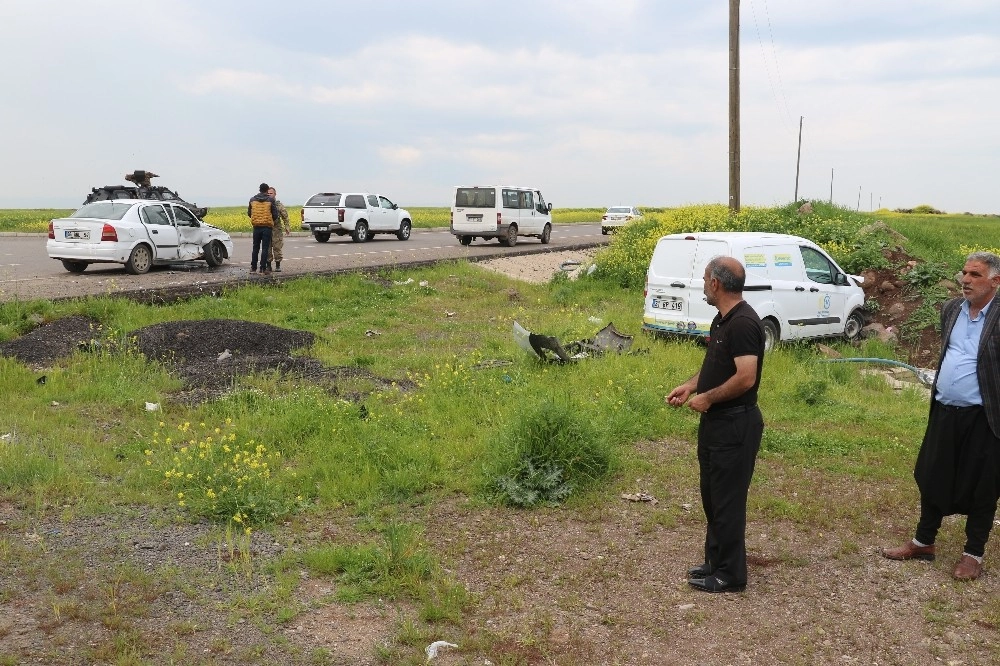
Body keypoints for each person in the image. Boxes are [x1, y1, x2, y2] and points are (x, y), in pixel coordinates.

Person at [881, 251, 1000, 581]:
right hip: (945, 411)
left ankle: (973, 554)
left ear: (995, 281)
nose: (965, 280)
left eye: (975, 275)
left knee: (983, 485)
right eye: (964, 273)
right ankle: (923, 542)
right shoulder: (951, 310)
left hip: (985, 418)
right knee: (933, 474)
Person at [666, 256, 765, 593]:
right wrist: (692, 386)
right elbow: (716, 366)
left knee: (728, 501)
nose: (703, 282)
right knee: (712, 496)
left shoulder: (744, 324)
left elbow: (746, 378)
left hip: (736, 425)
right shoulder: (722, 321)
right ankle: (715, 560)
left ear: (716, 284)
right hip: (716, 424)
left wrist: (708, 399)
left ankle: (731, 574)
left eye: (705, 277)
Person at [247, 183, 278, 275]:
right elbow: (275, 214)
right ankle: (263, 268)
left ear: (259, 189)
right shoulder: (270, 200)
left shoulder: (252, 200)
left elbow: (249, 213)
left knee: (255, 247)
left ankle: (253, 268)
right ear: (267, 190)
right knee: (265, 248)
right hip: (267, 227)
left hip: (256, 227)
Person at [267, 187, 291, 272]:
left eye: (271, 193)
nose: (269, 195)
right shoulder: (265, 204)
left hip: (276, 229)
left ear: (275, 194)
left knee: (277, 248)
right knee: (267, 248)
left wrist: (287, 227)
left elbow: (285, 216)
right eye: (268, 193)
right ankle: (268, 265)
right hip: (267, 229)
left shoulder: (279, 205)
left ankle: (278, 265)